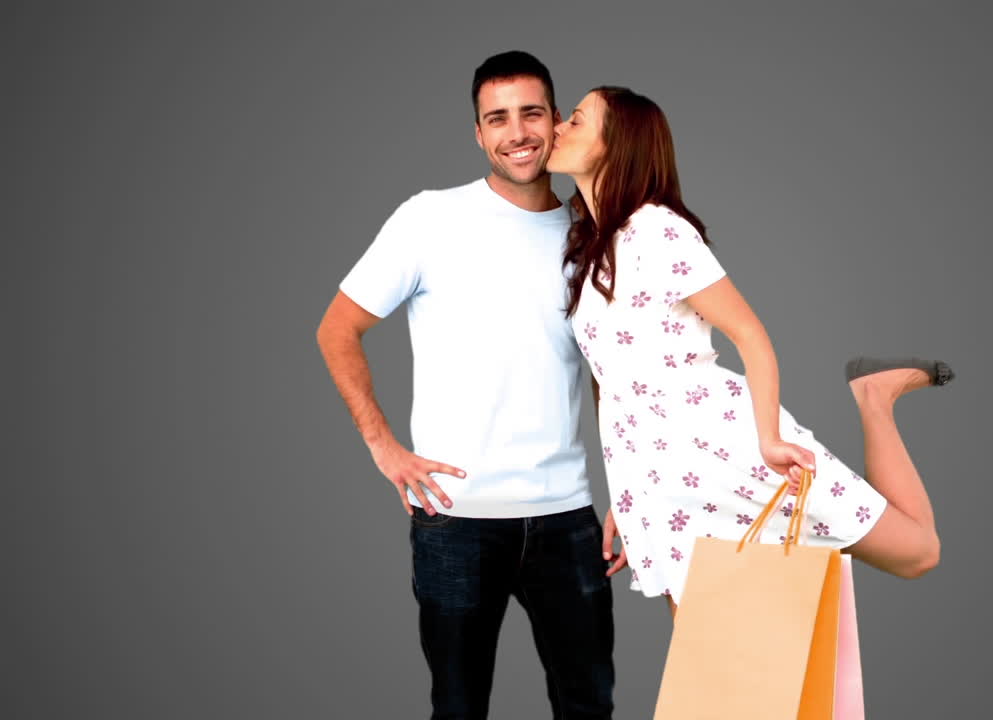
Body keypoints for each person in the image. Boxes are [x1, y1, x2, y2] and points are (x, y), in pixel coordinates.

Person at [545, 86, 949, 614]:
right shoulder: (588, 251)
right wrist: (623, 490)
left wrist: (769, 439)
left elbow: (750, 335)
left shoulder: (660, 231)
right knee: (711, 651)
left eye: (575, 121)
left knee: (915, 552)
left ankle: (875, 396)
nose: (556, 128)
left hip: (724, 448)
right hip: (654, 476)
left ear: (617, 145)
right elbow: (612, 378)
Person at [315, 52, 616, 719]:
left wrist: (625, 488)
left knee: (589, 705)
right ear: (478, 134)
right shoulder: (429, 219)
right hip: (456, 519)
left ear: (557, 122)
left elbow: (611, 376)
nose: (517, 133)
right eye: (497, 118)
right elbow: (338, 329)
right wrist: (383, 446)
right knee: (457, 707)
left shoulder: (589, 234)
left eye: (531, 113)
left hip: (568, 518)